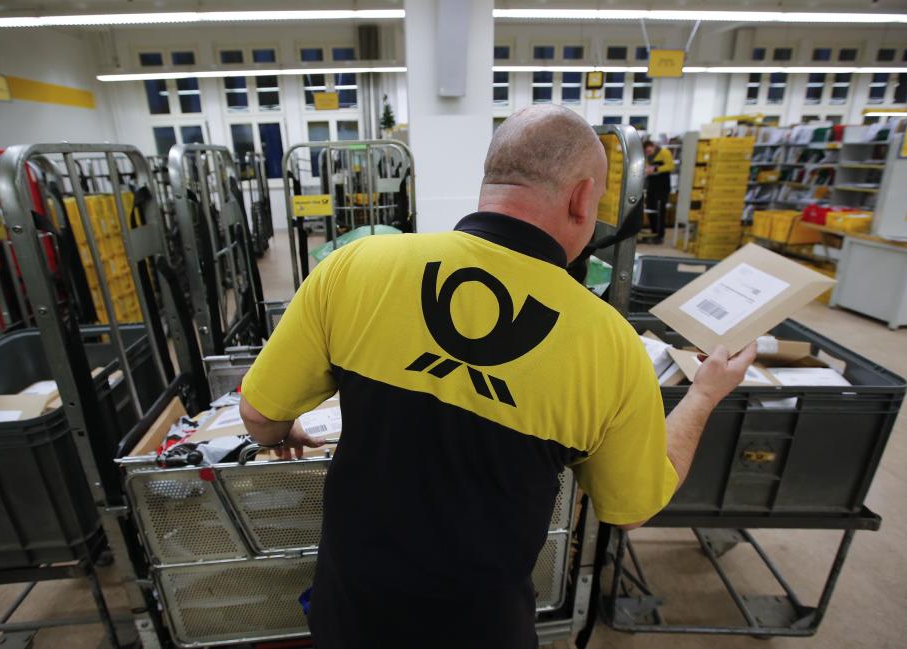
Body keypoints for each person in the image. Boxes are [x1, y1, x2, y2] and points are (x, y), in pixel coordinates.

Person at [239, 105, 755, 649]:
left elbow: (259, 414)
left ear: (491, 178)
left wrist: (280, 431)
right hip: (482, 629)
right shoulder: (612, 346)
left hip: (352, 613)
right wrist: (703, 394)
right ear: (582, 198)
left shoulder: (355, 266)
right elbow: (634, 508)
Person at [643, 139, 675, 244]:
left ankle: (660, 235)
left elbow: (671, 166)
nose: (648, 153)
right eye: (646, 152)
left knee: (660, 210)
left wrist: (655, 169)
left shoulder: (664, 152)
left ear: (653, 146)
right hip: (651, 185)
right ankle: (653, 232)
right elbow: (648, 167)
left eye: (649, 151)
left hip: (662, 186)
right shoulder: (648, 156)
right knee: (650, 209)